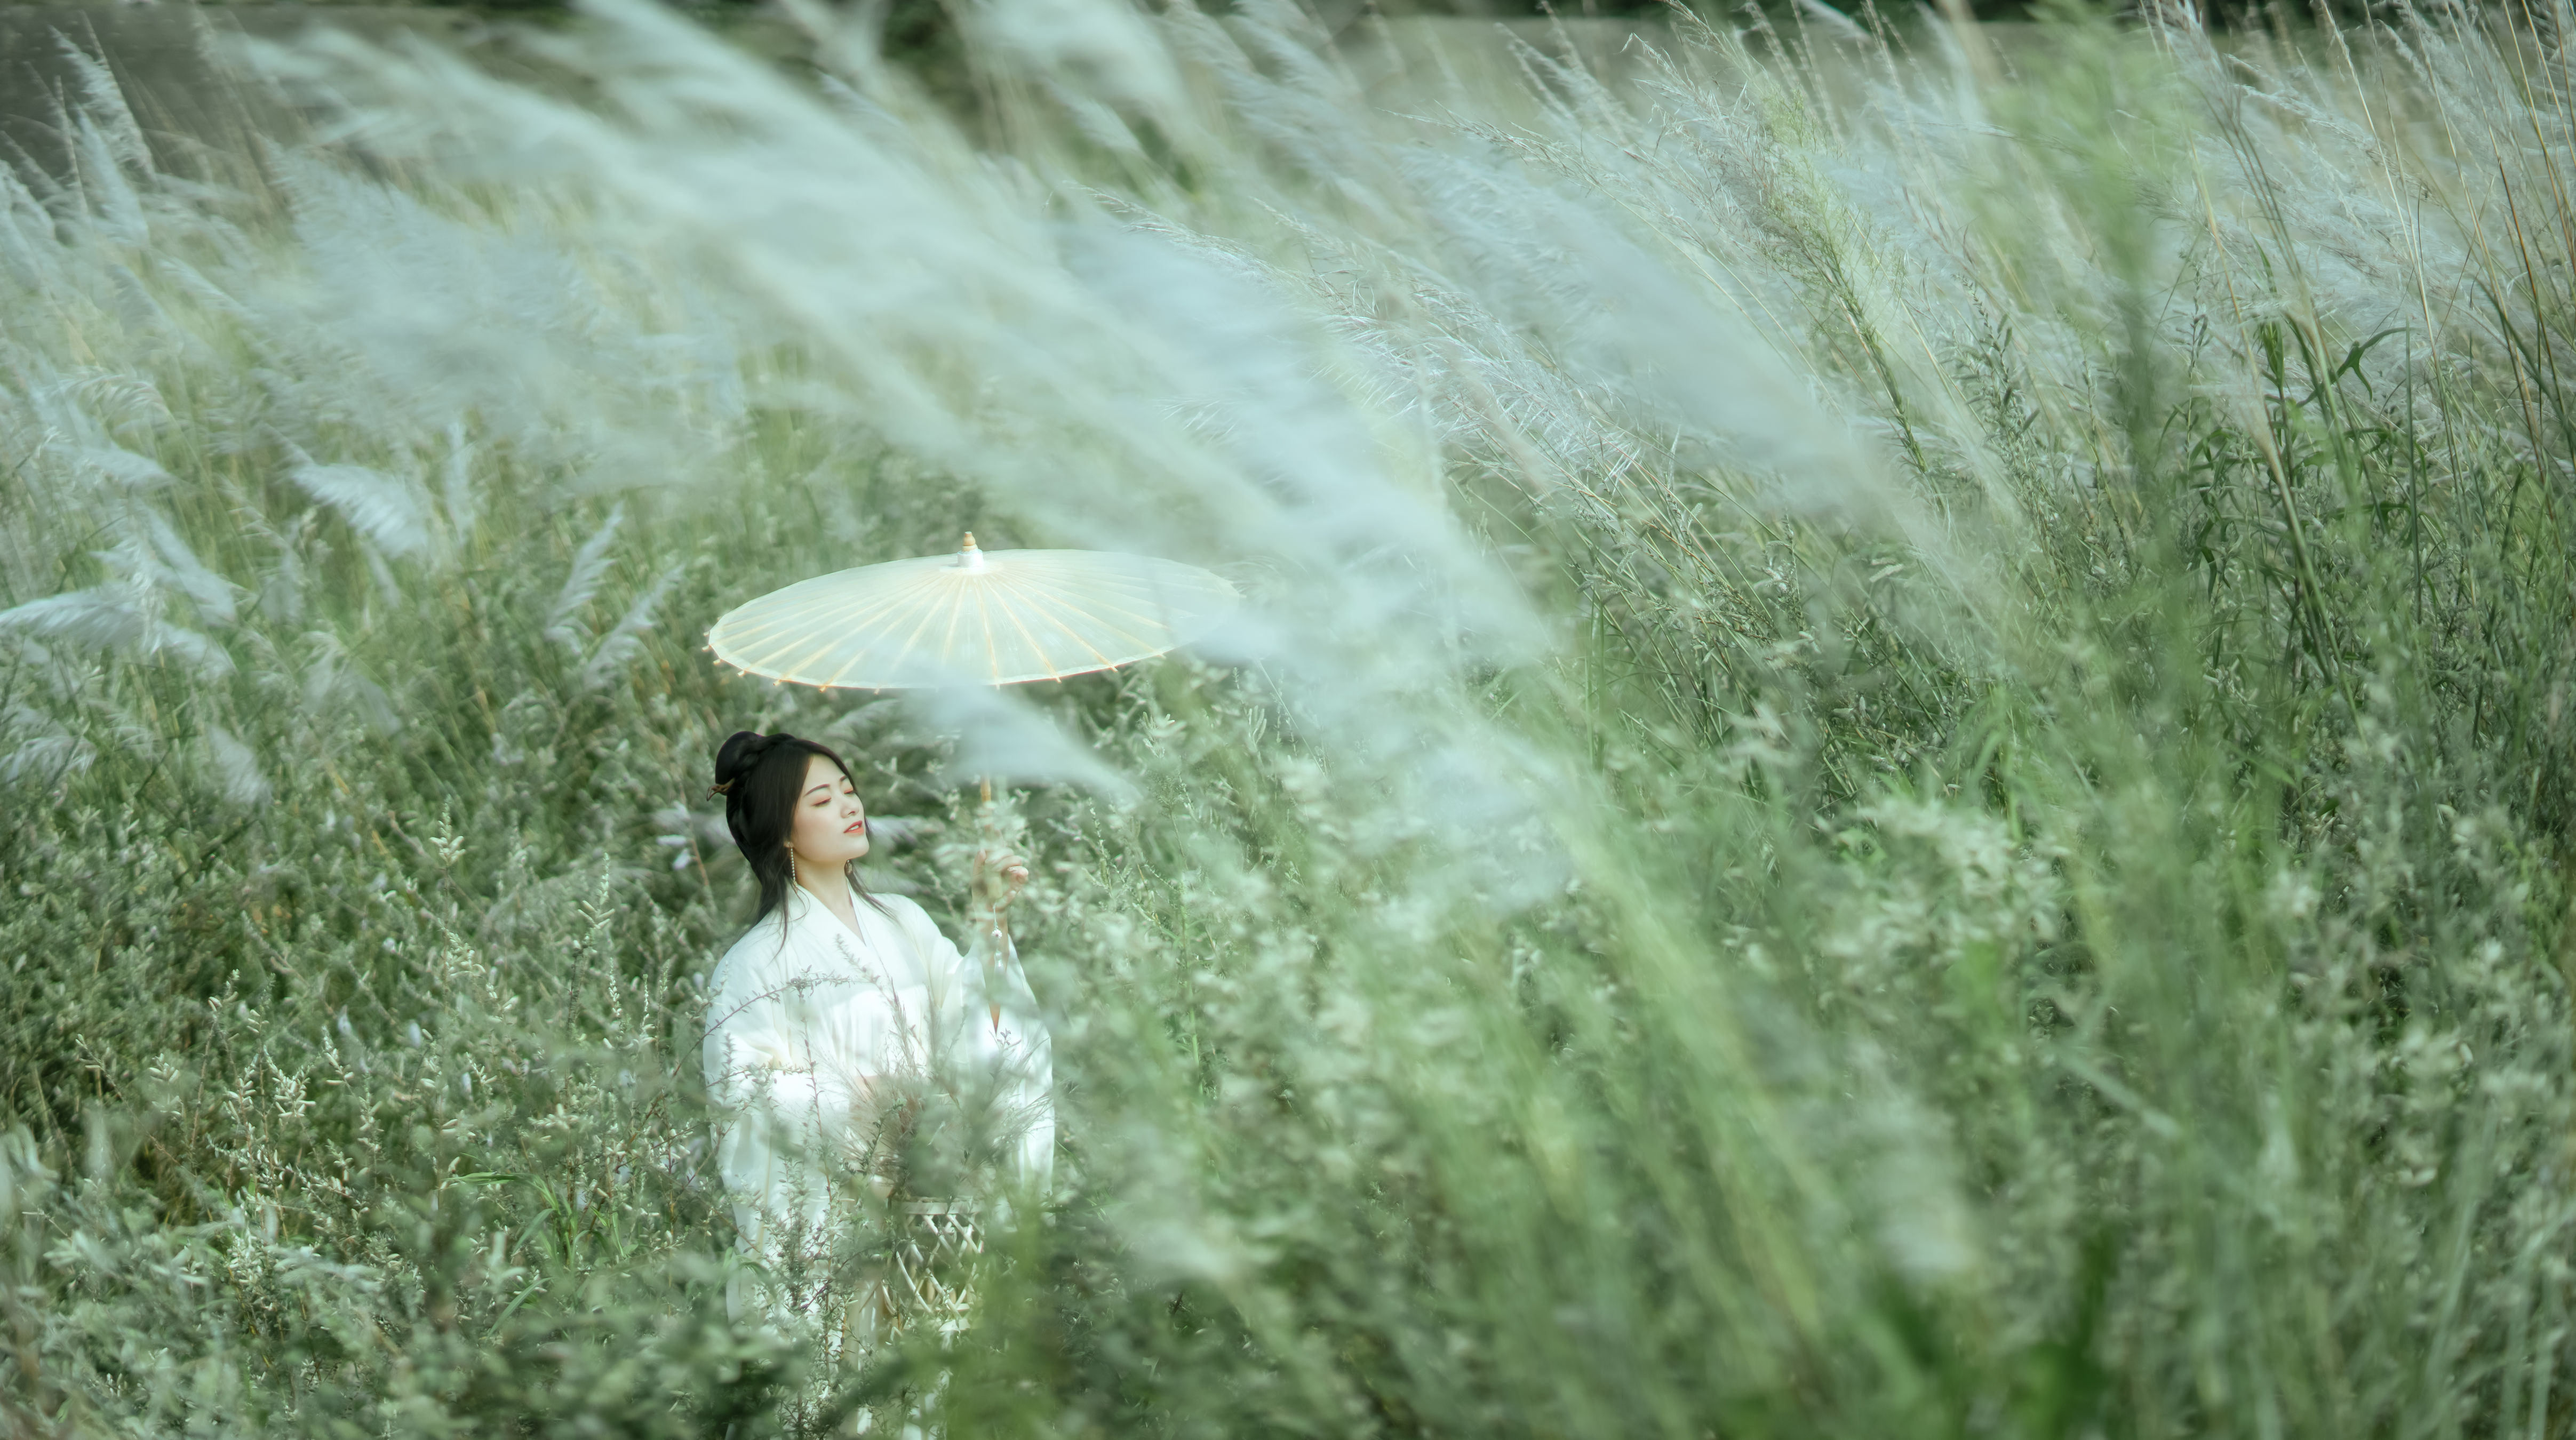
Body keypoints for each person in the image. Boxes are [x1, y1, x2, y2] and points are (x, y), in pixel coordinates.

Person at [698, 729, 1051, 1336]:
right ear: (782, 830)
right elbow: (743, 1102)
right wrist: (857, 1106)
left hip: (933, 1227)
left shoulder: (905, 922)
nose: (849, 806)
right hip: (837, 1233)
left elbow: (983, 1039)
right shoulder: (752, 965)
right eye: (821, 800)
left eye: (850, 790)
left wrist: (989, 924)